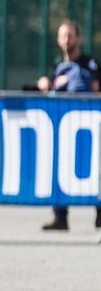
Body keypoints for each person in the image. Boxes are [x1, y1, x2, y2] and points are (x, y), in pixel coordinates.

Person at [35, 19, 101, 231]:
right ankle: (60, 216)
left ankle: (99, 214)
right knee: (59, 165)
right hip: (63, 128)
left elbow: (94, 86)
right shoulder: (57, 66)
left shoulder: (89, 63)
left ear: (78, 38)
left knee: (94, 166)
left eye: (70, 35)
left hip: (88, 125)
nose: (66, 40)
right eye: (63, 35)